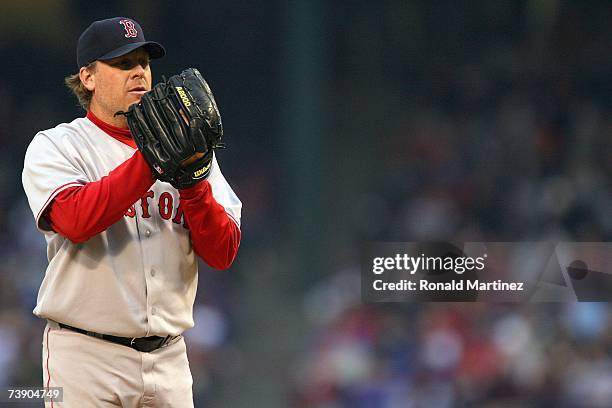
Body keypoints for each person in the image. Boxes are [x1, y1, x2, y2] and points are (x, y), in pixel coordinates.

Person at [21, 17, 242, 407]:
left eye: (144, 62)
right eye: (123, 63)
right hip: (86, 357)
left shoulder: (190, 149)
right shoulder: (58, 146)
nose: (139, 71)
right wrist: (151, 158)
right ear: (88, 77)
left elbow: (222, 252)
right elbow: (75, 221)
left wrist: (193, 186)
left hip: (169, 358)